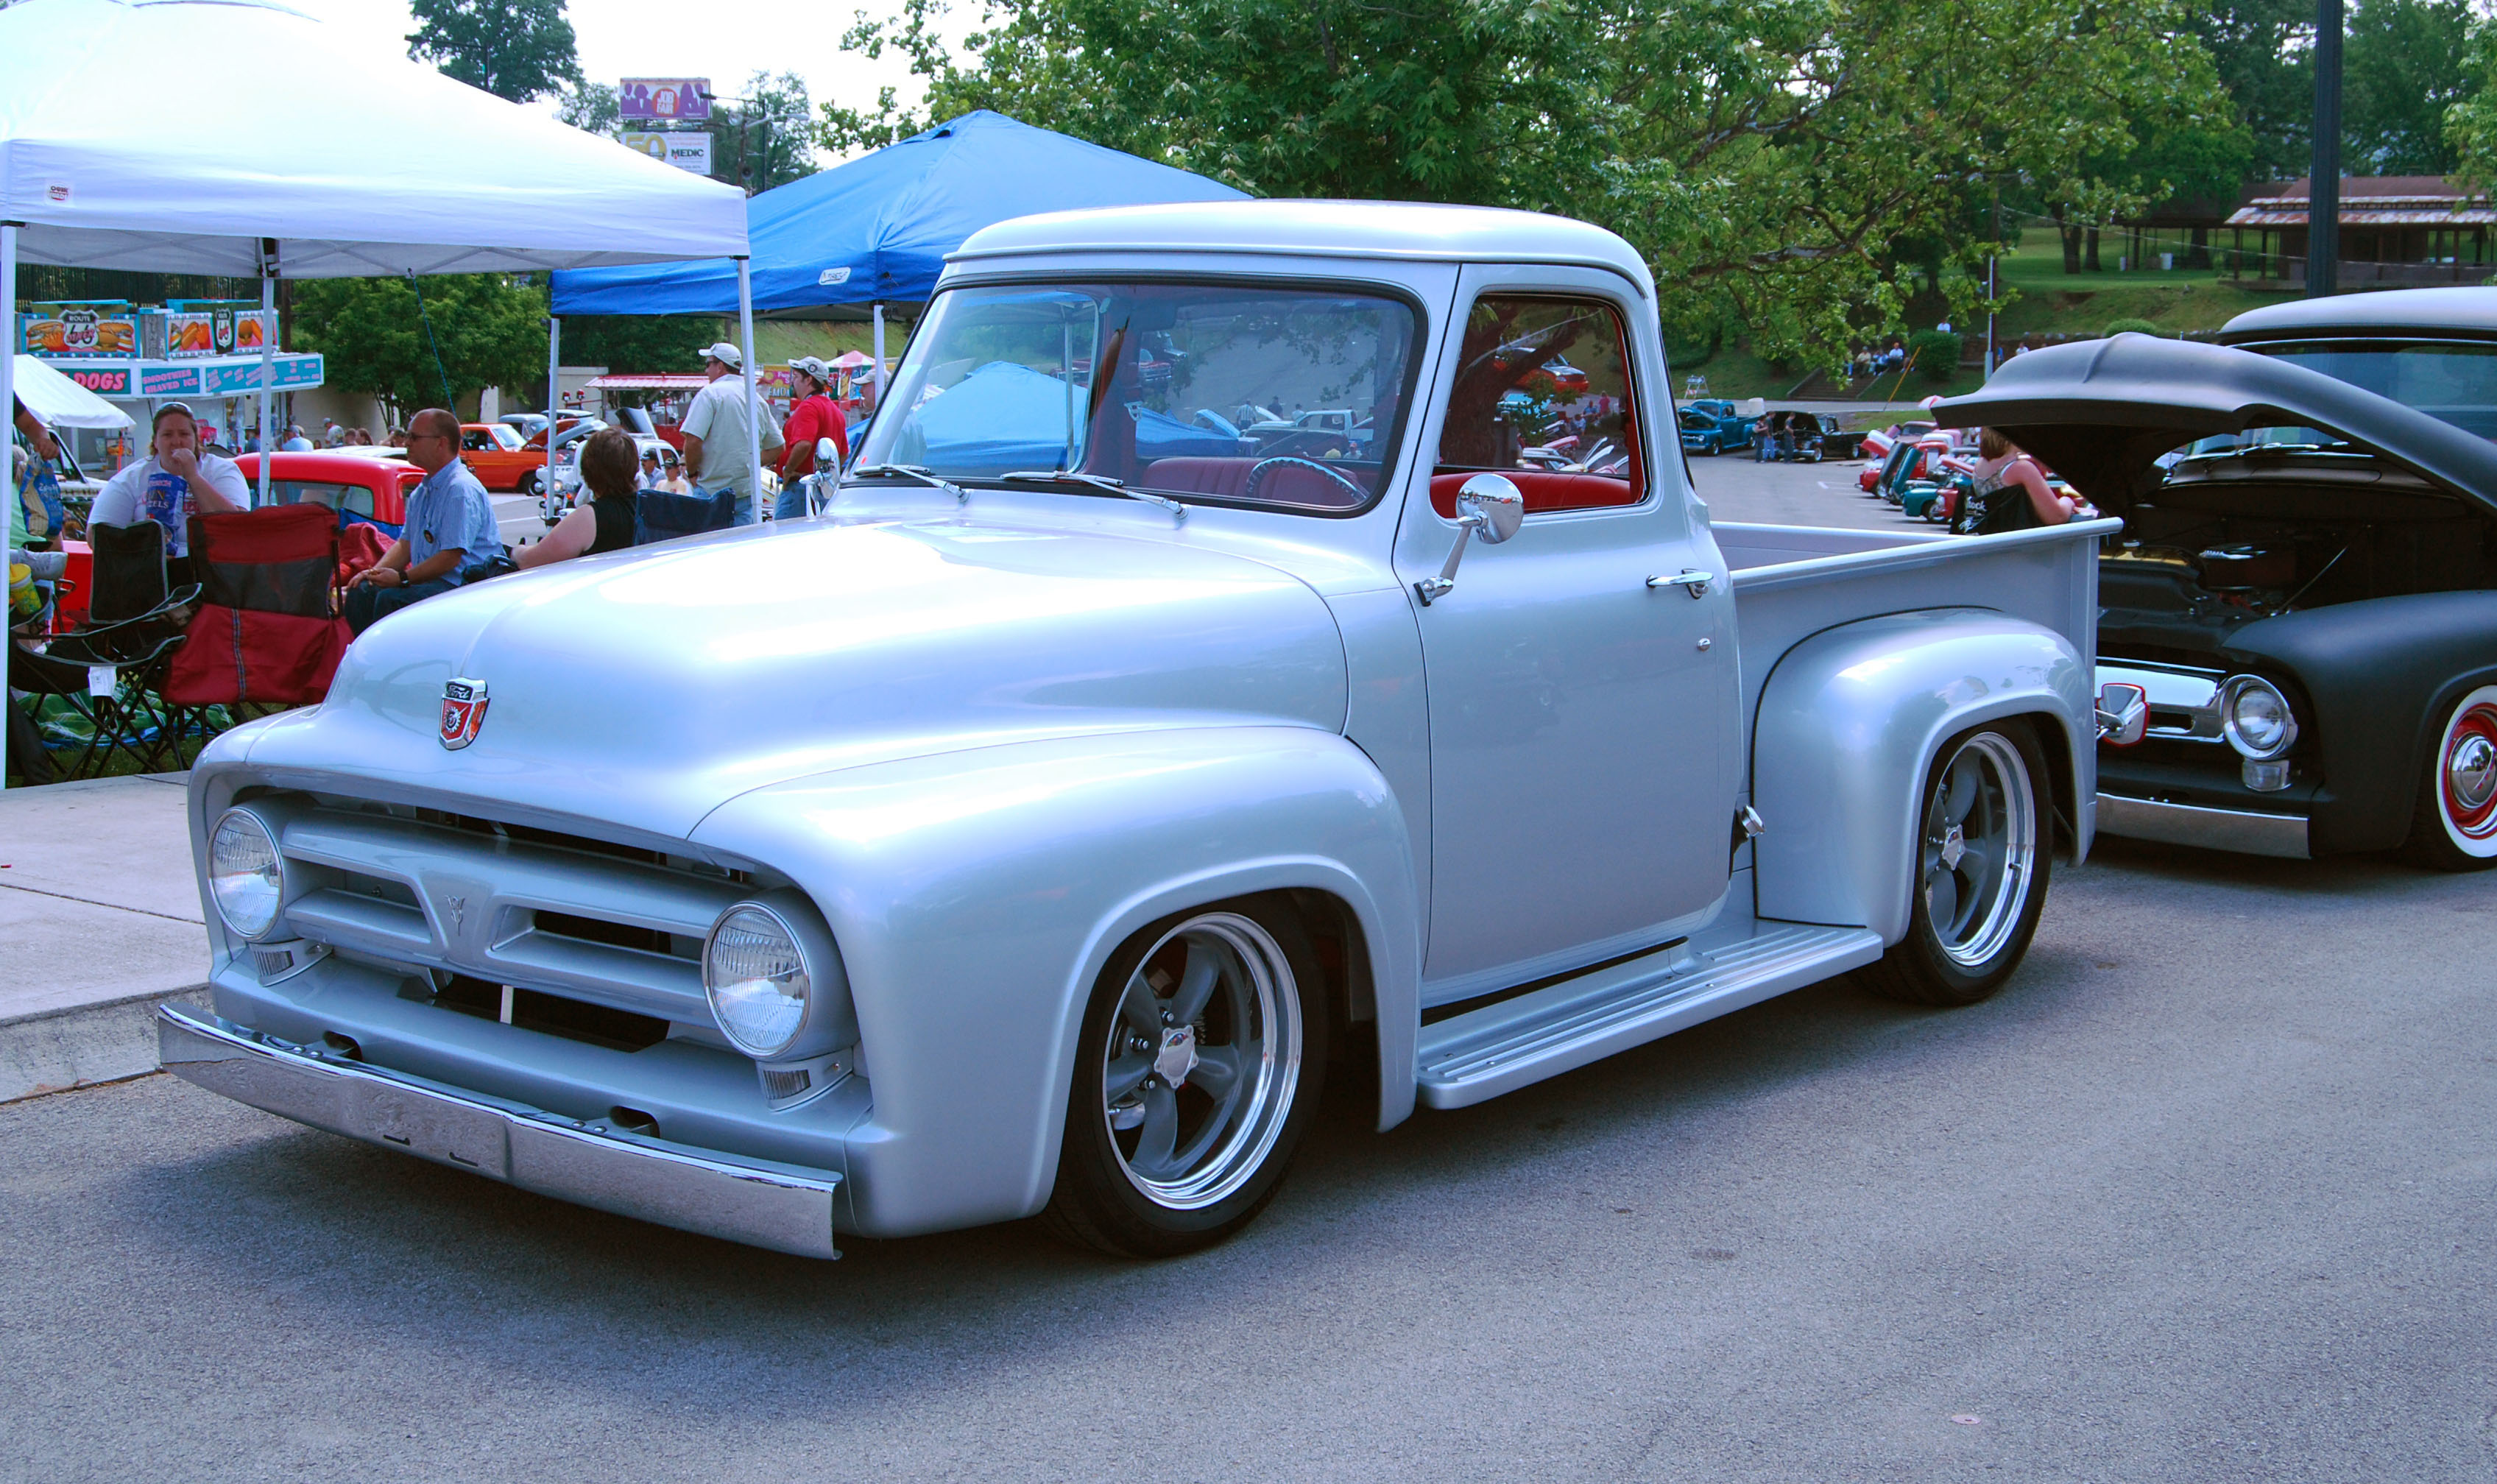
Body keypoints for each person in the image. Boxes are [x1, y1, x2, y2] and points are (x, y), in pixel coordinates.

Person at [342, 407, 506, 634]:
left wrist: (402, 578)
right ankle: (367, 660)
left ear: (441, 443)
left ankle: (392, 662)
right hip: (437, 584)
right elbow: (405, 545)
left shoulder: (460, 489)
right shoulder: (423, 491)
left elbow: (450, 558)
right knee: (362, 591)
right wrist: (373, 574)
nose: (406, 442)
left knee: (392, 600)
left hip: (466, 589)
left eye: (414, 437)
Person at [88, 402, 249, 562]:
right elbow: (96, 534)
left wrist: (193, 477)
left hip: (211, 567)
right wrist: (141, 551)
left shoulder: (221, 470)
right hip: (151, 569)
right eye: (167, 435)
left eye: (184, 434)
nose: (176, 442)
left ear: (195, 439)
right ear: (156, 442)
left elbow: (237, 527)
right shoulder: (133, 477)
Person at [679, 341, 782, 524]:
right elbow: (777, 446)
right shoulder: (756, 398)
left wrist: (692, 472)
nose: (706, 370)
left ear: (720, 366)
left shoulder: (709, 394)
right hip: (745, 492)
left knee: (706, 548)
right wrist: (751, 463)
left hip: (711, 490)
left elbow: (693, 440)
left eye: (708, 364)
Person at [518, 428, 640, 570]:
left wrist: (517, 551)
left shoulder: (590, 517)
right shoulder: (652, 510)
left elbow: (530, 561)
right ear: (635, 466)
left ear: (587, 471)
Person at [1953, 427, 2078, 535]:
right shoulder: (2021, 468)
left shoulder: (1981, 464)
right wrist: (2068, 501)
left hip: (1987, 540)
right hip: (2013, 548)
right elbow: (2056, 516)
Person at [775, 356, 849, 518]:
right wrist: (825, 476)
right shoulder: (835, 411)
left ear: (808, 379)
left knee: (783, 537)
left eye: (796, 377)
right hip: (820, 490)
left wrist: (789, 470)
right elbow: (843, 454)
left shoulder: (809, 406)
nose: (793, 382)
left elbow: (804, 444)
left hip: (801, 488)